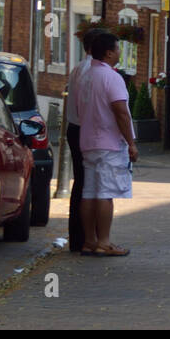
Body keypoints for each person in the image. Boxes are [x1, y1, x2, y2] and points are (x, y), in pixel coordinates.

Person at [78, 32, 138, 256]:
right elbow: (121, 112)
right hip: (109, 142)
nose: (120, 52)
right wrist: (131, 143)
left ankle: (89, 241)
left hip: (88, 140)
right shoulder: (112, 78)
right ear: (109, 52)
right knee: (105, 193)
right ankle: (104, 241)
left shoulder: (84, 76)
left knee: (89, 191)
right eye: (118, 48)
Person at [64, 27, 106, 253]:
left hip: (76, 128)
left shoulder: (80, 68)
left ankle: (79, 237)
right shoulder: (92, 70)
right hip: (87, 130)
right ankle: (90, 239)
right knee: (91, 185)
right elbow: (92, 107)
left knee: (81, 183)